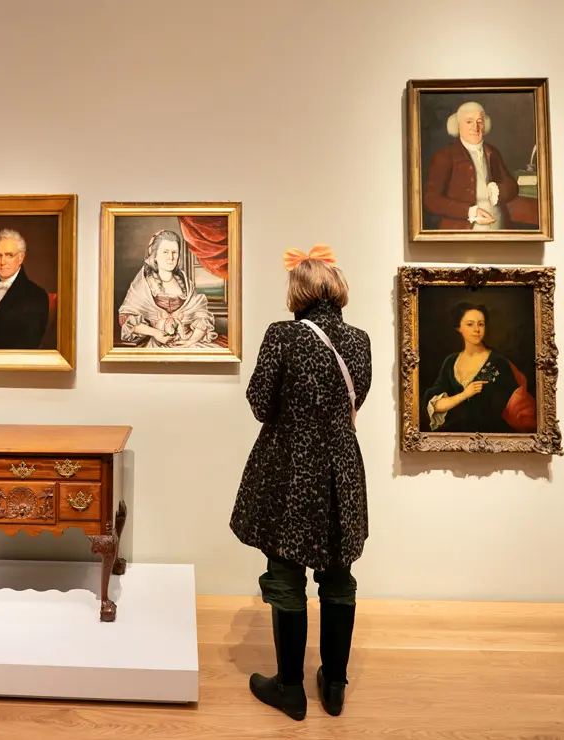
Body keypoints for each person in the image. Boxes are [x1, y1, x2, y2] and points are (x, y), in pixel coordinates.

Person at [228, 244, 372, 721]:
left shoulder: (282, 335)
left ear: (298, 291)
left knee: (286, 573)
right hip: (342, 467)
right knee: (339, 574)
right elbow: (356, 400)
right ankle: (334, 685)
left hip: (290, 466)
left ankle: (290, 688)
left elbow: (259, 404)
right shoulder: (360, 341)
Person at [421, 302, 536, 433]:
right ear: (459, 328)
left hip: (491, 436)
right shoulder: (451, 361)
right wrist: (465, 394)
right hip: (454, 435)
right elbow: (435, 405)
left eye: (481, 324)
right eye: (470, 324)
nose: (476, 330)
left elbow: (516, 407)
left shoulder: (498, 363)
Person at [422, 101, 520, 231]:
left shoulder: (492, 152)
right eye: (469, 122)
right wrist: (469, 212)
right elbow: (431, 200)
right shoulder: (445, 156)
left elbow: (513, 187)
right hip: (463, 229)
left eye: (479, 122)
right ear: (457, 125)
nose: (475, 127)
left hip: (499, 226)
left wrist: (499, 191)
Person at [116, 228, 219, 348]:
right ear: (154, 256)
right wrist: (156, 333)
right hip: (157, 345)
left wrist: (190, 341)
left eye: (174, 252)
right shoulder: (144, 285)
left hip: (187, 343)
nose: (171, 257)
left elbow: (202, 316)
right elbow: (126, 318)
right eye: (165, 252)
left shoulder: (185, 283)